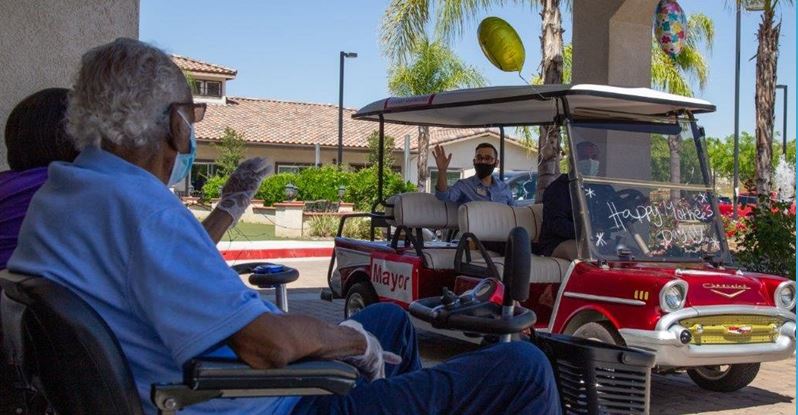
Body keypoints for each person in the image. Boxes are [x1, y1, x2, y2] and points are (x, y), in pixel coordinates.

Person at [8, 38, 560, 415]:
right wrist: (348, 341)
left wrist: (354, 338)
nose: (192, 129)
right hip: (265, 398)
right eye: (192, 115)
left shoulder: (67, 195)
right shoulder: (142, 210)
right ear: (174, 121)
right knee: (524, 365)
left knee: (388, 320)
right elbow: (265, 347)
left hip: (197, 381)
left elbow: (162, 270)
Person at [536, 141, 614, 260]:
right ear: (572, 161)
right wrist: (587, 232)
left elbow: (613, 213)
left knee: (627, 251)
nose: (590, 162)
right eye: (584, 157)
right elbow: (557, 225)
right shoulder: (557, 189)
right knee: (588, 253)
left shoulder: (602, 189)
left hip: (594, 241)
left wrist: (635, 210)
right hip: (560, 242)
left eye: (594, 157)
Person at [433, 142, 514, 206]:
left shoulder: (505, 188)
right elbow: (443, 197)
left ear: (496, 163)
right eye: (479, 158)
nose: (483, 161)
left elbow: (514, 213)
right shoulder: (464, 186)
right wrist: (442, 170)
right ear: (474, 161)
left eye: (488, 158)